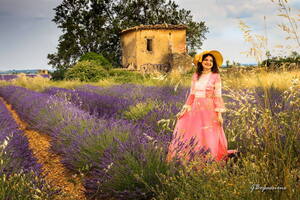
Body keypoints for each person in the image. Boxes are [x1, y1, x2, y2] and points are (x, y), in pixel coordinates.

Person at [167, 50, 237, 164]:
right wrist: (183, 110)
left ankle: (209, 158)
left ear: (213, 64)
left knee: (208, 134)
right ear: (201, 62)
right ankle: (192, 158)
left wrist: (219, 114)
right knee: (195, 133)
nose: (208, 62)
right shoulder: (196, 76)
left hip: (209, 109)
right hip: (195, 108)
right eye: (206, 60)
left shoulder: (215, 76)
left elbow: (217, 96)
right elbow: (192, 94)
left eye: (211, 61)